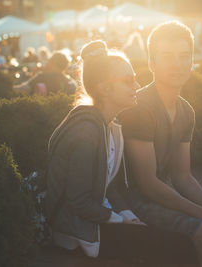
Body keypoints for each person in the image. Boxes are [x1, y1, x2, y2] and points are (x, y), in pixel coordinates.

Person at [119, 21, 202, 267]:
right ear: (151, 63)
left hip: (163, 195)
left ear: (191, 62)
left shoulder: (186, 111)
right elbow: (147, 184)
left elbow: (182, 176)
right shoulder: (140, 108)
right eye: (167, 57)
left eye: (183, 56)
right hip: (134, 201)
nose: (177, 64)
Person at [45, 40, 145, 258]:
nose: (137, 86)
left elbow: (106, 185)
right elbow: (78, 202)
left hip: (94, 223)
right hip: (75, 235)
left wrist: (127, 214)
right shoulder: (86, 134)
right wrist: (119, 219)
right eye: (129, 81)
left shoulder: (107, 126)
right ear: (105, 88)